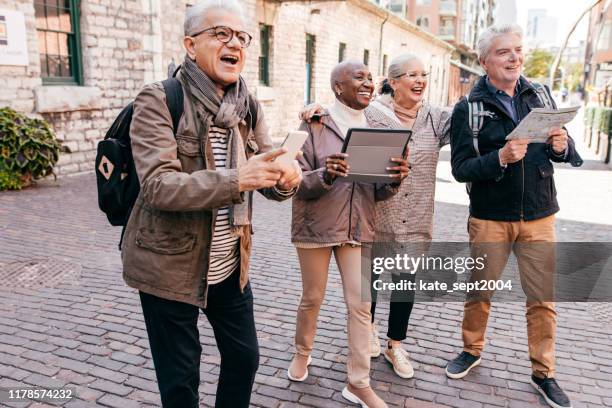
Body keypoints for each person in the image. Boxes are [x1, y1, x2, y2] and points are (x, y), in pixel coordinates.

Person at [121, 1, 302, 407]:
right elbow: (158, 186)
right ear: (191, 44)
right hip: (168, 264)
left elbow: (266, 168)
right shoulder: (159, 99)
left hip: (229, 263)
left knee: (244, 357)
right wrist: (240, 178)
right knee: (181, 379)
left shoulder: (246, 104)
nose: (234, 42)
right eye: (221, 33)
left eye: (242, 37)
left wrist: (286, 179)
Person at [446, 23, 581, 408]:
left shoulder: (539, 94)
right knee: (481, 290)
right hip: (490, 215)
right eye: (504, 52)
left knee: (542, 299)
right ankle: (471, 350)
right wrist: (499, 158)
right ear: (484, 60)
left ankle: (544, 373)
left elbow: (565, 155)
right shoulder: (468, 109)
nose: (514, 58)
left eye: (518, 50)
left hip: (539, 214)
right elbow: (460, 169)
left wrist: (562, 144)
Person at [287, 60, 409, 408]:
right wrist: (325, 174)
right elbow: (295, 181)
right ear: (338, 86)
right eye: (360, 77)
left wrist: (394, 178)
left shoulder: (378, 126)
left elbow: (377, 191)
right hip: (316, 226)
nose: (369, 82)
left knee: (360, 305)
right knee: (313, 296)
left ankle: (357, 382)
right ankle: (302, 351)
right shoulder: (314, 123)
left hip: (358, 227)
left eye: (371, 78)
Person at [368, 54, 451, 379]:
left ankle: (395, 346)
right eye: (411, 75)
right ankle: (369, 330)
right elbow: (339, 113)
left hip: (417, 218)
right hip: (378, 215)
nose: (419, 81)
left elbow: (471, 122)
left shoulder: (436, 117)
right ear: (393, 81)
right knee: (371, 283)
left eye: (423, 75)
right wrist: (312, 110)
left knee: (405, 286)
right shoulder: (373, 114)